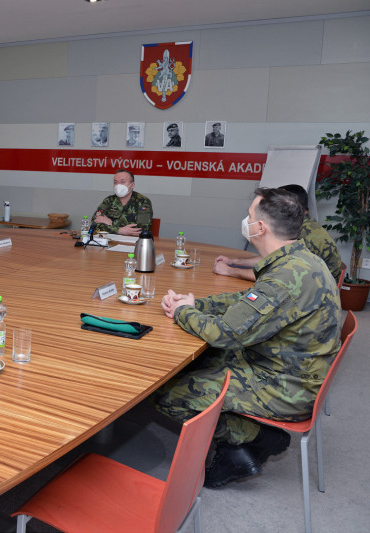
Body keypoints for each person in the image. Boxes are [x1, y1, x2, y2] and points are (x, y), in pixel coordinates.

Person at [154, 187, 341, 489]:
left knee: (168, 394)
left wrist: (182, 313)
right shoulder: (300, 259)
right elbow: (249, 301)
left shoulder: (284, 277)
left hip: (286, 386)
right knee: (199, 363)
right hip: (291, 366)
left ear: (261, 228)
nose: (246, 221)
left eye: (250, 216)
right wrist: (198, 304)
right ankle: (242, 436)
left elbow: (225, 334)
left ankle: (258, 436)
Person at [213, 184, 342, 282]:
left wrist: (230, 271)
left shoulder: (304, 235)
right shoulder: (299, 224)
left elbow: (276, 275)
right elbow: (272, 258)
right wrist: (234, 261)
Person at [91, 169, 153, 236]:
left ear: (132, 185)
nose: (118, 185)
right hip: (110, 240)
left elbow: (142, 229)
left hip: (133, 241)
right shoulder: (109, 200)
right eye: (116, 182)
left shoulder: (142, 201)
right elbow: (94, 223)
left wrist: (111, 224)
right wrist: (119, 230)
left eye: (123, 182)